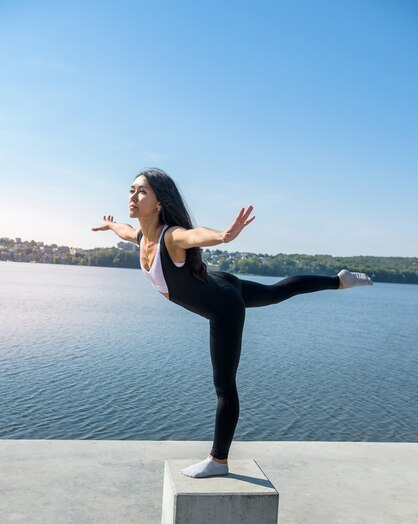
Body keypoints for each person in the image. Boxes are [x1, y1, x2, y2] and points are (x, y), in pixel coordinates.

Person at [92, 167, 373, 478]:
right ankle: (339, 281)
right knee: (276, 291)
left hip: (224, 306)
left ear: (159, 202)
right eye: (131, 189)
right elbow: (124, 231)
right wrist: (110, 225)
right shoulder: (142, 235)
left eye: (141, 191)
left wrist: (223, 236)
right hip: (219, 282)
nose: (133, 196)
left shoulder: (171, 236)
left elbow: (195, 235)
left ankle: (219, 460)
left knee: (225, 386)